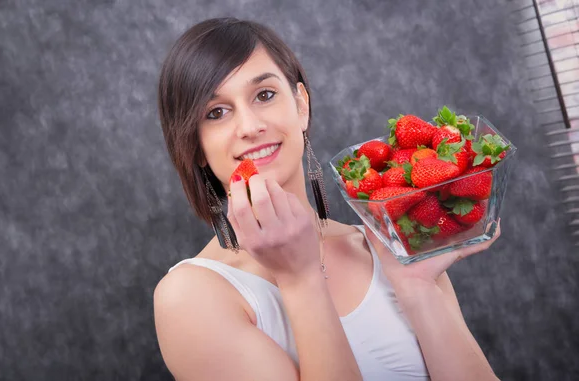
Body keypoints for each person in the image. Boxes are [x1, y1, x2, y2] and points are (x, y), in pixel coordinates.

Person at [153, 17, 501, 381]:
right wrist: (300, 278)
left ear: (300, 105)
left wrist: (419, 288)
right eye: (217, 113)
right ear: (195, 146)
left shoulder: (385, 241)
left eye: (265, 95)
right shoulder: (190, 296)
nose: (250, 126)